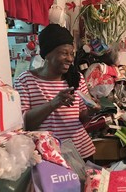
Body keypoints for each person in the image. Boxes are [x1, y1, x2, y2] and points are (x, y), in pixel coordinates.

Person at [14, 24, 96, 161]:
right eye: (64, 53)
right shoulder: (25, 81)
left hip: (80, 152)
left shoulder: (76, 78)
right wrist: (54, 103)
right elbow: (24, 125)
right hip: (46, 156)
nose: (70, 59)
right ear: (47, 54)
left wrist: (91, 112)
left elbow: (82, 118)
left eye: (72, 54)